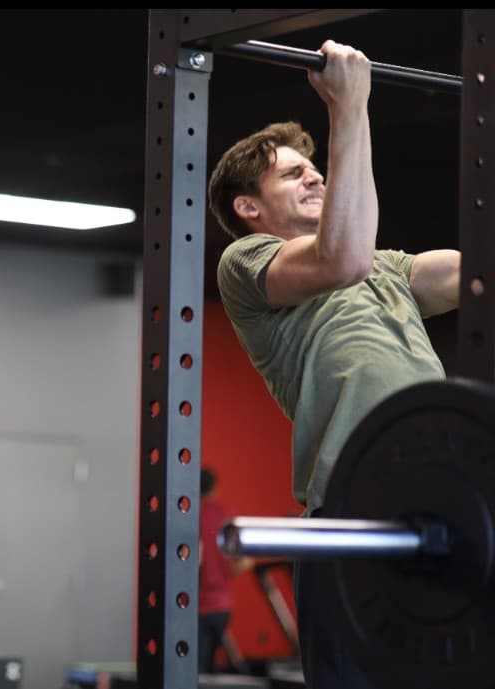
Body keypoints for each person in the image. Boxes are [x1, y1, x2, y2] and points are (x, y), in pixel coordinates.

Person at [209, 40, 460, 689]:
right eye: (293, 174)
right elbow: (341, 257)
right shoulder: (250, 261)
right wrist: (350, 107)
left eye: (312, 169)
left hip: (445, 495)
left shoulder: (388, 267)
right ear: (249, 207)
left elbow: (471, 271)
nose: (314, 176)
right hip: (353, 511)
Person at [197, 468, 252, 674]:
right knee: (211, 669)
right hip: (222, 607)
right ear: (214, 488)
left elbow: (196, 559)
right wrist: (223, 573)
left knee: (195, 671)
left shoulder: (191, 514)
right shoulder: (225, 516)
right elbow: (246, 560)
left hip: (198, 607)